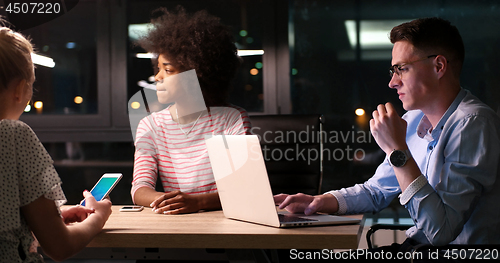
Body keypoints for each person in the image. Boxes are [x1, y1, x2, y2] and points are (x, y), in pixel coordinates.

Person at [275, 17, 500, 248]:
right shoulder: (412, 120)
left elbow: (440, 232)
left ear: (438, 66)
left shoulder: (472, 123)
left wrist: (397, 150)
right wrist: (320, 201)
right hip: (417, 249)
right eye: (393, 71)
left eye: (401, 69)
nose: (393, 82)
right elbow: (376, 191)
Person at [0, 26, 112, 262]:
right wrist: (98, 217)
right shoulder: (13, 135)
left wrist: (51, 216)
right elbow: (60, 246)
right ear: (20, 89)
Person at [131, 7, 251, 215]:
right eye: (157, 68)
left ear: (196, 75)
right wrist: (175, 202)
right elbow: (140, 189)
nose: (158, 77)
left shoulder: (231, 119)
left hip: (226, 226)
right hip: (177, 225)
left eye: (168, 70)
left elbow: (241, 188)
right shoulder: (151, 125)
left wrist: (196, 203)